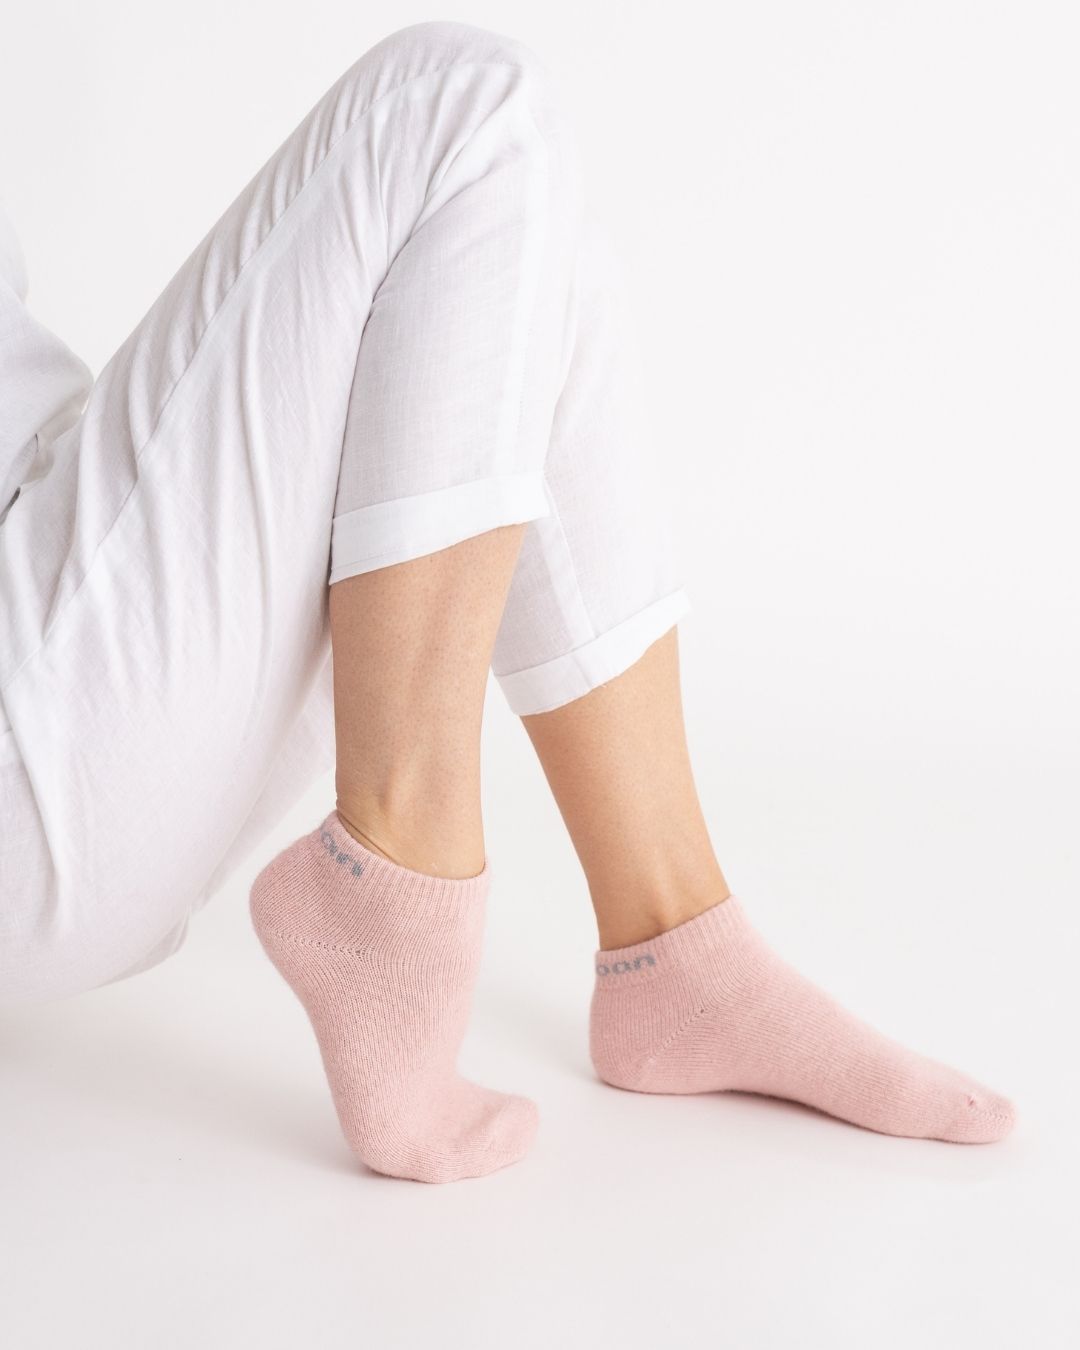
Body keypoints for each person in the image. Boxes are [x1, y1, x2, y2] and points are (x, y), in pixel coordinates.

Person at [0, 19, 1015, 1184]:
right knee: (465, 113)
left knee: (527, 260)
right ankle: (395, 882)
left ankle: (676, 943)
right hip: (35, 743)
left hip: (50, 585)